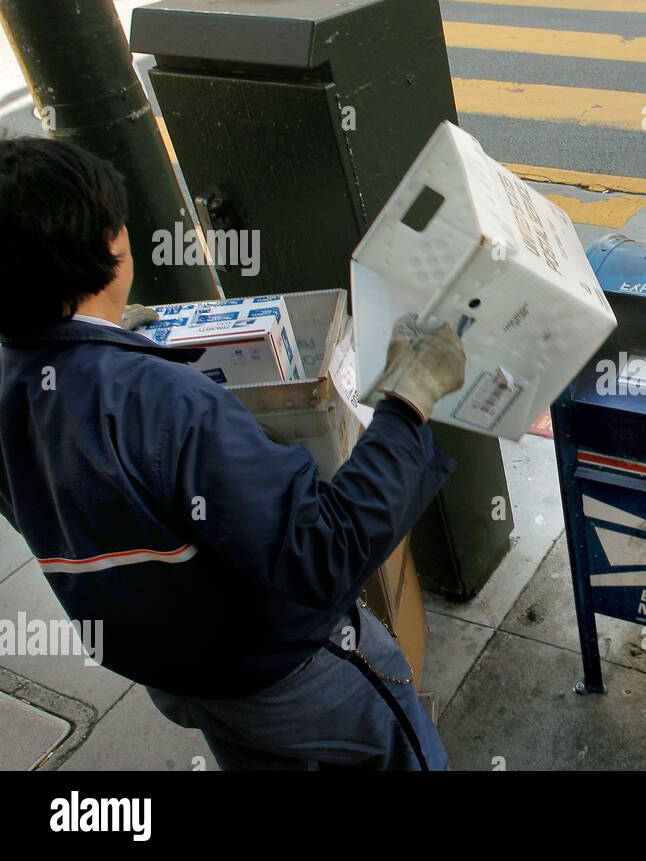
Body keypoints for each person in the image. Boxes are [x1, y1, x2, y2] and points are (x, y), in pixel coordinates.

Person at [0, 137, 466, 770]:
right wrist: (410, 403)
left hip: (181, 679)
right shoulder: (166, 402)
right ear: (111, 246)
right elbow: (324, 552)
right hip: (287, 671)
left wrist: (103, 344)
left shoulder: (15, 382)